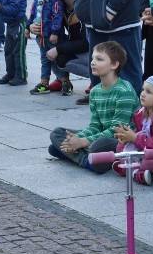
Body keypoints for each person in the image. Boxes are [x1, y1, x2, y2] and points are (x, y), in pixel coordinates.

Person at [48, 41, 140, 173]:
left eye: (99, 59)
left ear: (114, 65)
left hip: (121, 140)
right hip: (101, 134)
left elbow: (117, 131)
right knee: (57, 134)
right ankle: (88, 159)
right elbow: (95, 125)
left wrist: (83, 141)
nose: (92, 62)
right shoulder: (95, 91)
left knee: (97, 145)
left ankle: (86, 158)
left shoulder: (124, 91)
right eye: (92, 58)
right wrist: (77, 139)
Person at [39, 0, 88, 99]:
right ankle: (61, 79)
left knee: (58, 53)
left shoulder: (83, 7)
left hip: (95, 51)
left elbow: (86, 43)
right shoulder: (60, 5)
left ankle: (100, 80)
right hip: (78, 46)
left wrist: (58, 49)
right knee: (45, 39)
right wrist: (34, 26)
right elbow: (41, 17)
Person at [26, 0, 64, 95]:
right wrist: (27, 26)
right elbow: (34, 12)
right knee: (44, 59)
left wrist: (55, 32)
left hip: (51, 35)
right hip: (41, 34)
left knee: (58, 59)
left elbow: (57, 14)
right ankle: (44, 83)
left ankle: (65, 81)